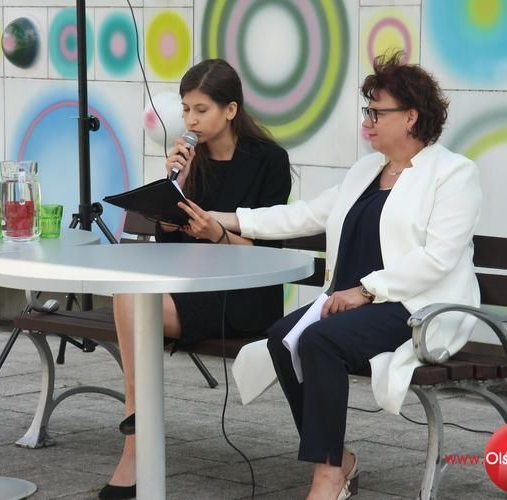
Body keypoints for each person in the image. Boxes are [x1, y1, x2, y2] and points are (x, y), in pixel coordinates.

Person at [179, 51, 482, 499]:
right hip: (353, 304)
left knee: (319, 341)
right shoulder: (367, 170)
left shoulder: (453, 174)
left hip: (414, 308)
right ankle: (338, 457)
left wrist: (366, 291)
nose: (368, 122)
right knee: (283, 339)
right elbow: (302, 215)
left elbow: (437, 258)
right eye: (367, 111)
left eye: (377, 112)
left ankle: (328, 476)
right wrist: (221, 218)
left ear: (412, 117)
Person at [99, 58, 292, 499]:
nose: (190, 121)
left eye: (201, 109)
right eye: (186, 109)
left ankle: (137, 439)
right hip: (194, 285)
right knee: (130, 293)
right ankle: (138, 421)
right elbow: (171, 247)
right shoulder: (191, 161)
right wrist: (175, 192)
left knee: (136, 303)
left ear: (231, 110)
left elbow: (269, 252)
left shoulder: (268, 161)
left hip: (246, 293)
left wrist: (219, 235)